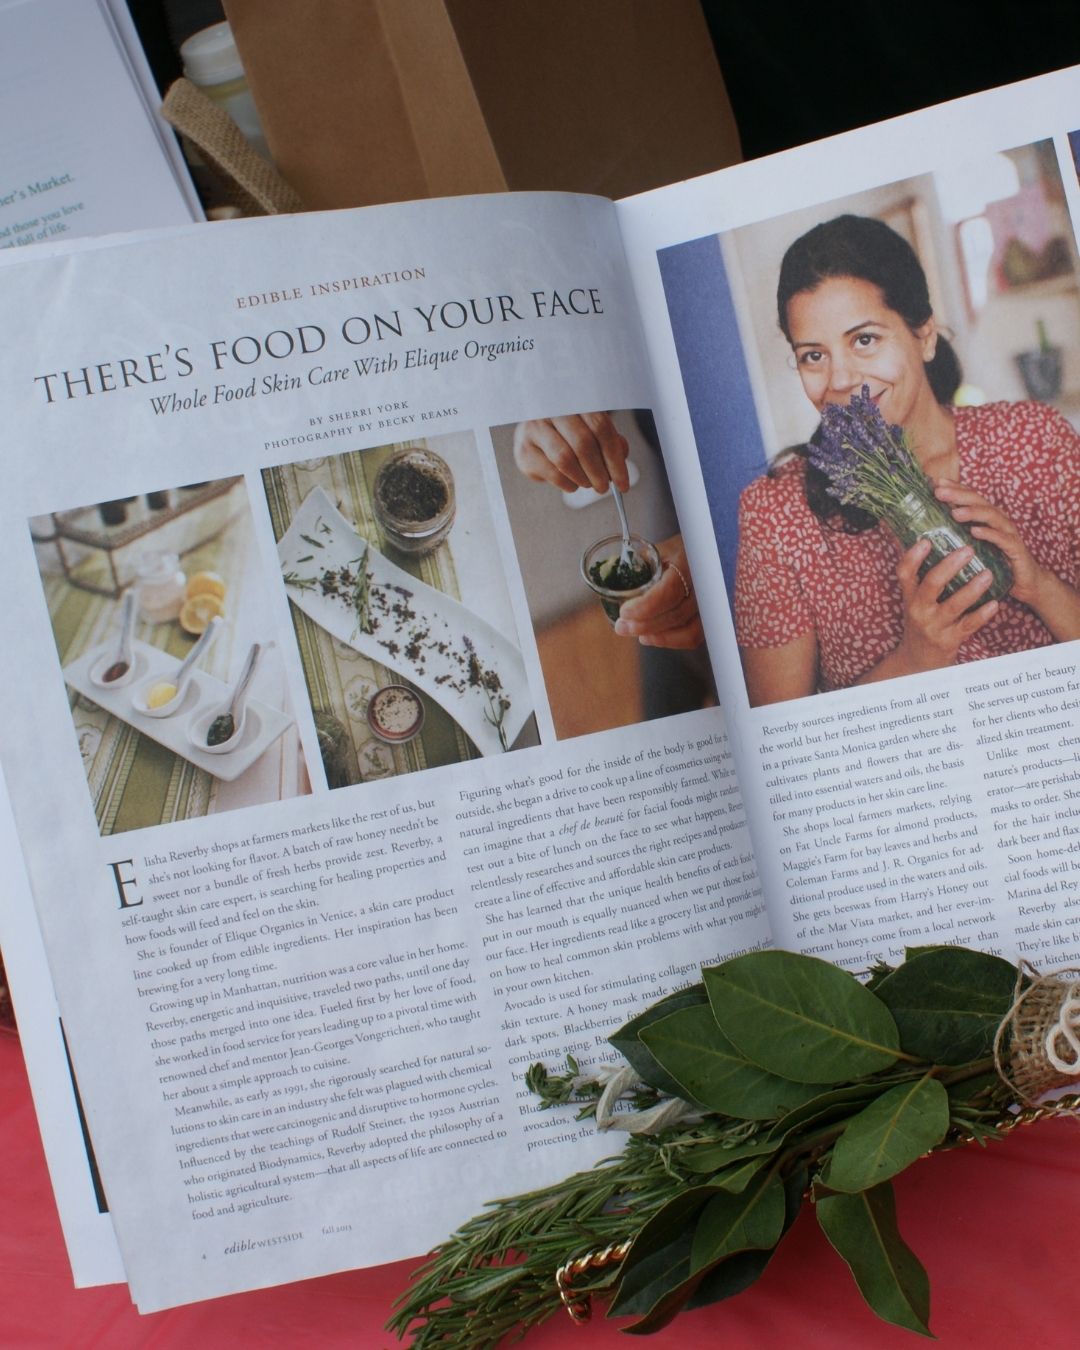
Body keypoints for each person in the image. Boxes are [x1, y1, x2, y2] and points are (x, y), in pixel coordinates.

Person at [734, 213, 1080, 707]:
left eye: (865, 340)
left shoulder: (1035, 439)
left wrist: (1042, 588)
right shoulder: (775, 513)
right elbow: (784, 749)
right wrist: (916, 660)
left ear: (924, 334)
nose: (839, 379)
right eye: (813, 355)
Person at [512, 411, 704, 649]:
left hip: (740, 522)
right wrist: (545, 421)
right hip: (671, 472)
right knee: (658, 644)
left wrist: (712, 552)